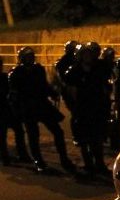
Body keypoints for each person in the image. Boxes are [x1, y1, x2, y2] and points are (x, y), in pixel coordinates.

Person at [7, 46, 76, 174]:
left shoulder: (38, 69)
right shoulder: (16, 73)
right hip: (27, 108)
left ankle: (64, 158)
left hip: (42, 105)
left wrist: (53, 93)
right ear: (21, 59)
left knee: (58, 132)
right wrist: (17, 111)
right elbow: (14, 94)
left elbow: (44, 85)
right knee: (33, 136)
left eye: (31, 56)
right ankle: (38, 161)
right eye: (27, 57)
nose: (30, 59)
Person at [64, 41, 113, 180]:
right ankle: (88, 165)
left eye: (89, 54)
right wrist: (75, 109)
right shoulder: (74, 71)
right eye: (85, 54)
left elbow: (105, 87)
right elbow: (71, 92)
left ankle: (100, 164)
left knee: (97, 139)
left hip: (97, 107)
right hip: (82, 109)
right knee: (84, 139)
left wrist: (106, 103)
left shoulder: (99, 69)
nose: (88, 57)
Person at [0, 55, 30, 165]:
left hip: (7, 109)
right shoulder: (4, 77)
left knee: (18, 131)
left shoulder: (5, 77)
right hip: (4, 110)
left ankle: (21, 154)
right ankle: (5, 157)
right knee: (3, 134)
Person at [101, 46, 120, 151]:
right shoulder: (101, 67)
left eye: (112, 55)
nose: (111, 57)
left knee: (116, 119)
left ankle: (115, 139)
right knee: (108, 120)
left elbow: (118, 79)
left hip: (115, 95)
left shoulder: (115, 66)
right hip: (106, 97)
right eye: (109, 56)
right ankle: (109, 139)